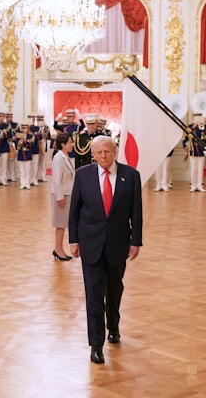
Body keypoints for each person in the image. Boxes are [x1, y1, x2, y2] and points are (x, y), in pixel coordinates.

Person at [68, 135, 143, 365]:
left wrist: (136, 241)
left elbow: (136, 211)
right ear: (93, 154)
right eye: (99, 153)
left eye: (107, 152)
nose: (103, 156)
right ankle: (96, 345)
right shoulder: (83, 175)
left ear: (115, 152)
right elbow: (75, 210)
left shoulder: (130, 176)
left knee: (114, 289)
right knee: (93, 294)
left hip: (118, 242)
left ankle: (114, 324)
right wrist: (73, 240)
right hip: (90, 243)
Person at [51, 133, 75, 261]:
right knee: (60, 224)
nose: (72, 144)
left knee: (63, 223)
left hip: (67, 193)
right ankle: (58, 250)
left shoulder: (65, 156)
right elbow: (56, 180)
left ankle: (59, 249)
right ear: (63, 145)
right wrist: (60, 197)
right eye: (70, 142)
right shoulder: (58, 158)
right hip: (61, 195)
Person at [184, 113, 206, 192]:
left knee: (200, 169)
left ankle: (199, 185)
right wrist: (193, 127)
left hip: (201, 151)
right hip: (193, 151)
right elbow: (186, 137)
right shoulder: (190, 126)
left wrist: (204, 127)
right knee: (193, 169)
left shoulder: (202, 126)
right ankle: (193, 185)